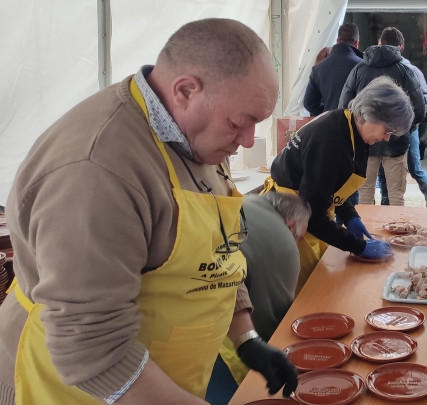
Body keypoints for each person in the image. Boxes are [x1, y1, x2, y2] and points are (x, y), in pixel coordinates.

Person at [0, 18, 297, 404]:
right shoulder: (97, 169)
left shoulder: (194, 135)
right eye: (240, 123)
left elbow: (217, 251)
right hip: (77, 389)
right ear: (186, 90)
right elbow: (90, 347)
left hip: (164, 378)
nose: (246, 140)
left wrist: (246, 338)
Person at [265, 77, 412, 285]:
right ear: (368, 113)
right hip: (292, 218)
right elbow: (313, 214)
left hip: (307, 211)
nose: (387, 138)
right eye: (387, 130)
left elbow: (331, 185)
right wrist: (357, 246)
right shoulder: (331, 142)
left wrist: (349, 215)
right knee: (305, 292)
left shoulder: (349, 126)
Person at [339, 28, 426, 207]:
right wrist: (400, 129)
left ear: (379, 43)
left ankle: (363, 234)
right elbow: (419, 110)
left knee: (364, 196)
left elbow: (344, 108)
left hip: (365, 145)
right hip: (396, 143)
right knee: (396, 197)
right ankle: (397, 235)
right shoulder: (404, 70)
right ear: (399, 47)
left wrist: (362, 129)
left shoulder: (359, 69)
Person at [375, 27, 427, 208]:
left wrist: (408, 124)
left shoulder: (410, 70)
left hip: (407, 129)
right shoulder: (379, 69)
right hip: (384, 130)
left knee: (414, 167)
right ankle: (386, 203)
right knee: (383, 167)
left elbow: (424, 101)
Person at [241, 193, 310, 341]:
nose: (296, 244)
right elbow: (273, 317)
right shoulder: (282, 243)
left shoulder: (247, 200)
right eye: (297, 238)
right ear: (290, 224)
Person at [302, 22, 363, 116]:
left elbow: (309, 103)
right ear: (356, 43)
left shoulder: (318, 69)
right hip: (354, 126)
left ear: (337, 41)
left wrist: (327, 112)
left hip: (329, 125)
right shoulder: (362, 66)